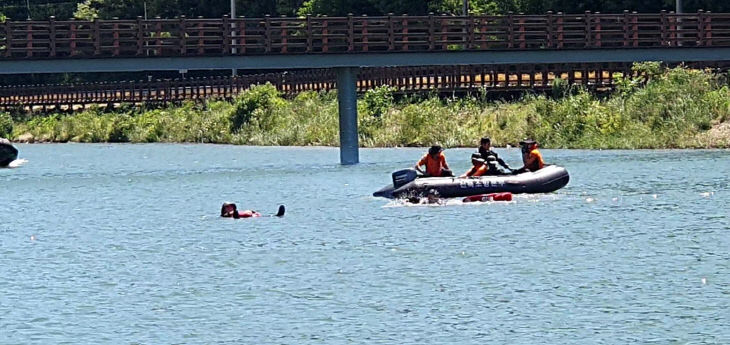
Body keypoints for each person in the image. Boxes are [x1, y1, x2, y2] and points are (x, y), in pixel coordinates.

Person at [221, 202, 285, 219]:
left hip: (253, 216)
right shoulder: (226, 215)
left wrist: (253, 212)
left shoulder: (234, 212)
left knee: (266, 216)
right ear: (225, 209)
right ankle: (277, 215)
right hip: (247, 217)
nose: (230, 207)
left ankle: (276, 215)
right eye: (228, 206)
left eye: (231, 206)